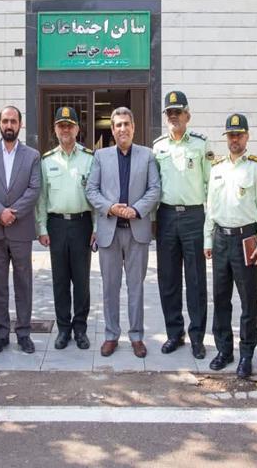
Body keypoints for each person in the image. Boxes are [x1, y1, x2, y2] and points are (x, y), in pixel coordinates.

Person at [85, 107, 160, 358]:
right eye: (118, 125)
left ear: (133, 127)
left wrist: (135, 210)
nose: (122, 129)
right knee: (110, 287)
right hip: (110, 232)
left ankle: (137, 336)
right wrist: (111, 208)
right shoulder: (100, 156)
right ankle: (111, 335)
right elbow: (91, 190)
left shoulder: (147, 155)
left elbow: (154, 189)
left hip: (137, 231)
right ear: (112, 129)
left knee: (136, 287)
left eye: (126, 124)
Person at [204, 113, 257, 378]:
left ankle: (246, 354)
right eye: (231, 135)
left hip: (246, 239)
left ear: (247, 136)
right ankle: (224, 350)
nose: (235, 139)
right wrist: (208, 239)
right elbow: (211, 208)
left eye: (239, 134)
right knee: (221, 298)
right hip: (221, 239)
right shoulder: (217, 168)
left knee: (247, 301)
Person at [152, 91, 211, 359]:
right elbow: (154, 187)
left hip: (194, 216)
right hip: (166, 216)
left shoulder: (201, 144)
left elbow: (211, 184)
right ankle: (174, 333)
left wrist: (210, 225)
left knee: (196, 280)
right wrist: (153, 221)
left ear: (188, 115)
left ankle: (197, 337)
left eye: (178, 112)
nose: (173, 116)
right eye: (169, 113)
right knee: (168, 279)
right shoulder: (158, 147)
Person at [0, 106, 41, 355]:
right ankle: (1, 334)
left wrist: (12, 213)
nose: (9, 125)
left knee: (23, 284)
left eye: (13, 121)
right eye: (5, 120)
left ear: (20, 124)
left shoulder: (32, 156)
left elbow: (34, 189)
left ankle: (24, 333)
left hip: (21, 229)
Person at [36, 106, 96, 350]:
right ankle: (63, 329)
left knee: (81, 281)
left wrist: (96, 227)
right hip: (57, 225)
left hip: (82, 224)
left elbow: (95, 197)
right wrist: (42, 228)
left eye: (70, 126)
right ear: (55, 129)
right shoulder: (47, 161)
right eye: (61, 125)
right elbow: (41, 198)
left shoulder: (89, 158)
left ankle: (80, 329)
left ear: (77, 129)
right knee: (60, 281)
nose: (65, 130)